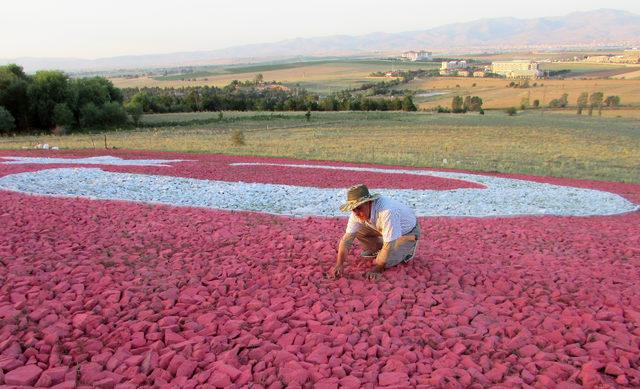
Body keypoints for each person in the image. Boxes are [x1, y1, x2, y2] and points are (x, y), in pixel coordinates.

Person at [331, 184, 420, 280]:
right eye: (353, 209)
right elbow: (347, 240)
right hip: (384, 228)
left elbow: (389, 245)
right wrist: (339, 264)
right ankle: (381, 249)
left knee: (383, 261)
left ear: (369, 202)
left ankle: (408, 247)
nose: (356, 212)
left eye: (359, 208)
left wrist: (377, 269)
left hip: (406, 233)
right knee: (358, 231)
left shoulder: (387, 211)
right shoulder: (357, 214)